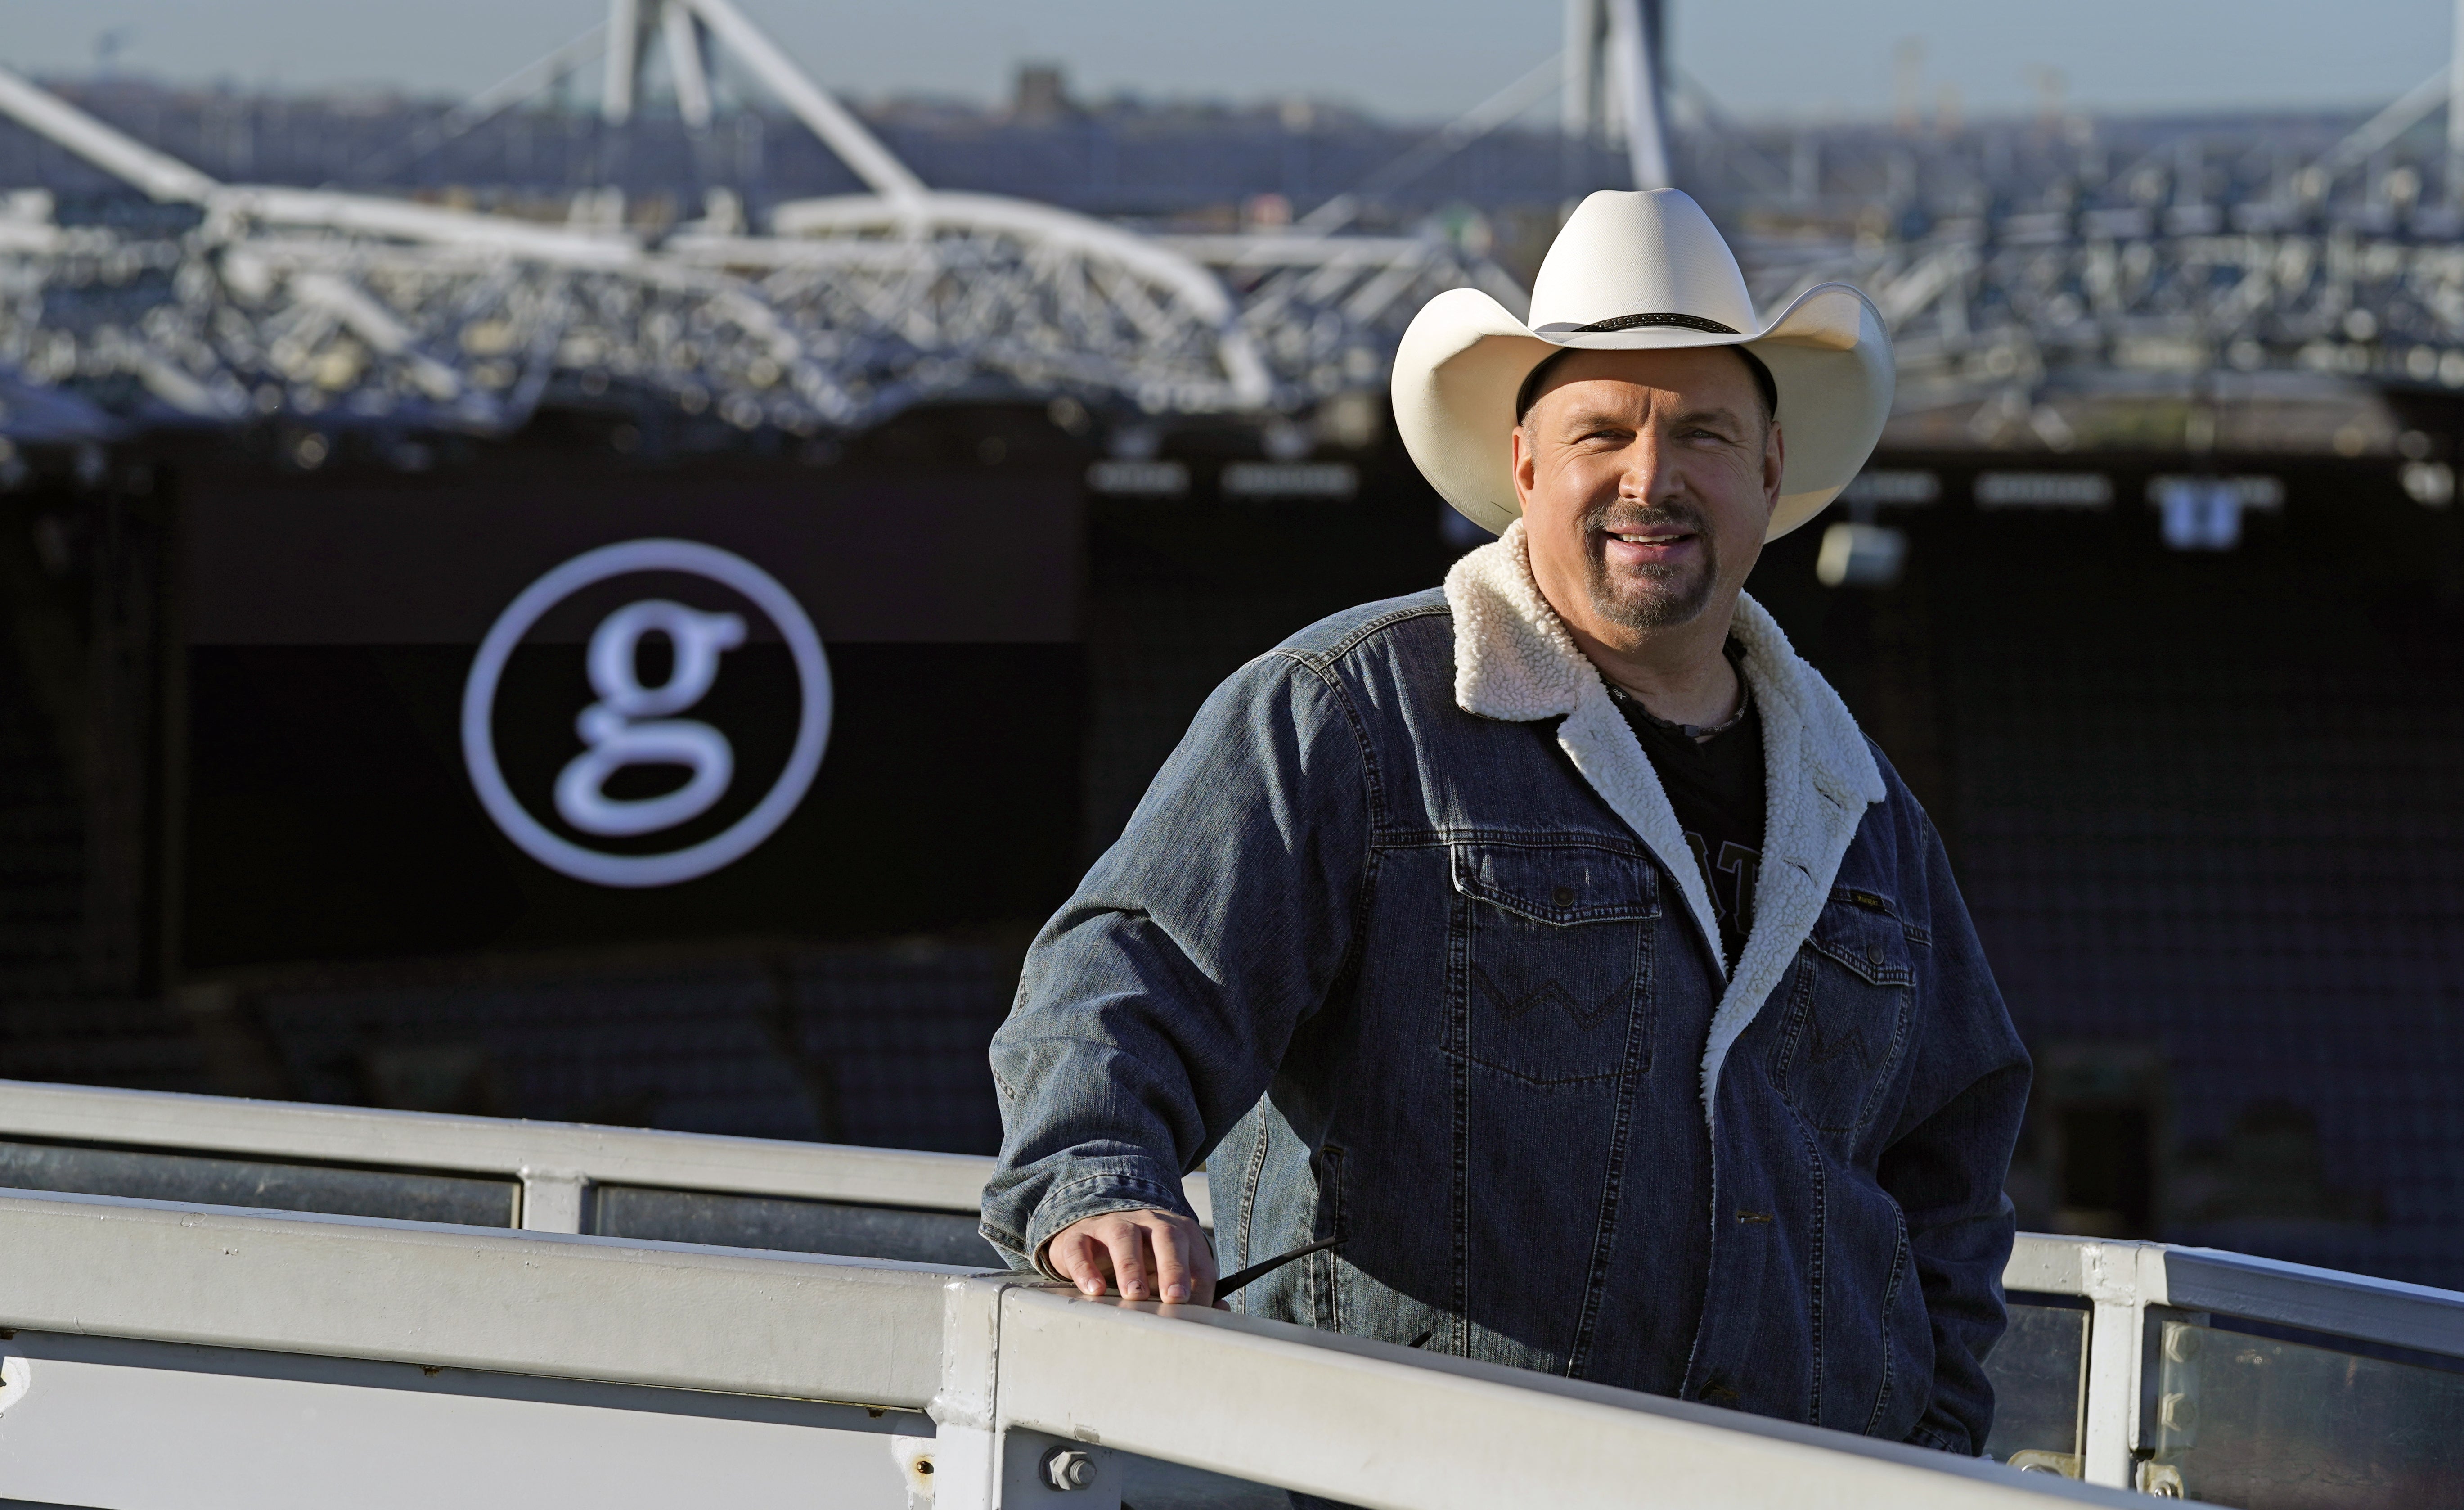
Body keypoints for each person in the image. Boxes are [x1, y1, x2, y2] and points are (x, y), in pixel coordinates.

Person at [980, 188, 2030, 1456]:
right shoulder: (1352, 716)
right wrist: (1100, 1179)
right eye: (1604, 433)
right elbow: (1127, 971)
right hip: (1407, 1476)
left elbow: (1950, 1166)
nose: (1652, 478)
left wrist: (1933, 1431)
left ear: (1768, 471)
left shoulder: (1861, 804)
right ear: (1525, 465)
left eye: (1701, 433)